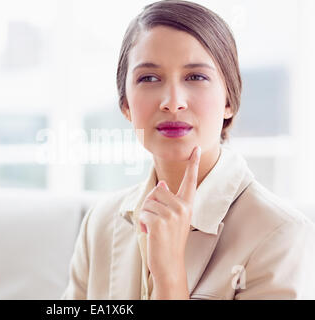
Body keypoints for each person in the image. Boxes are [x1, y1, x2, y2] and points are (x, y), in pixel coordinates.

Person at [61, 0, 315, 300]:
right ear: (126, 105)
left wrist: (169, 277)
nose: (172, 101)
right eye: (149, 78)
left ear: (229, 101)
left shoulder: (279, 233)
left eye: (195, 77)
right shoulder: (101, 223)